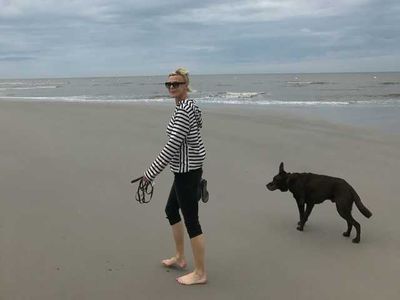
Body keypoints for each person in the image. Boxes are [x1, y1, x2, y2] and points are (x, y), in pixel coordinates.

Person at [142, 68, 208, 285]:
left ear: (185, 86)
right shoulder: (187, 106)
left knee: (192, 222)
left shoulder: (184, 110)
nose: (171, 87)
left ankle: (200, 273)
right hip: (185, 170)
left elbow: (172, 146)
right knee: (171, 210)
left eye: (176, 84)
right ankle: (180, 257)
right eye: (168, 84)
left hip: (187, 173)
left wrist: (149, 175)